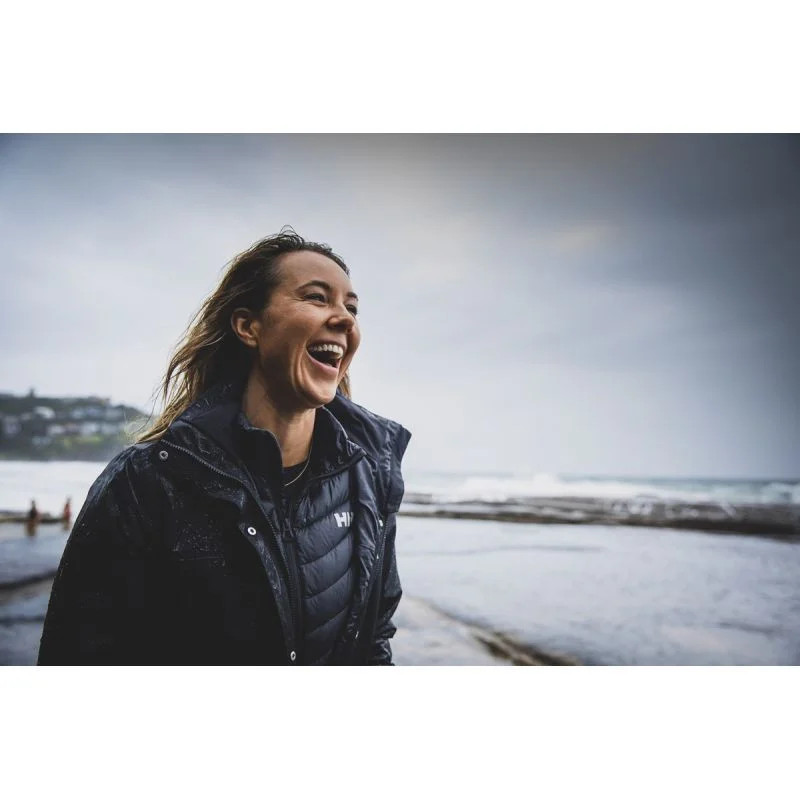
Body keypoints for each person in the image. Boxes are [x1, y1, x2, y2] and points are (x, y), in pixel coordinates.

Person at [38, 230, 411, 665]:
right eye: (316, 298)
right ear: (248, 326)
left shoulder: (369, 475)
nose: (345, 320)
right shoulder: (147, 480)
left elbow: (374, 637)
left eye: (352, 307)